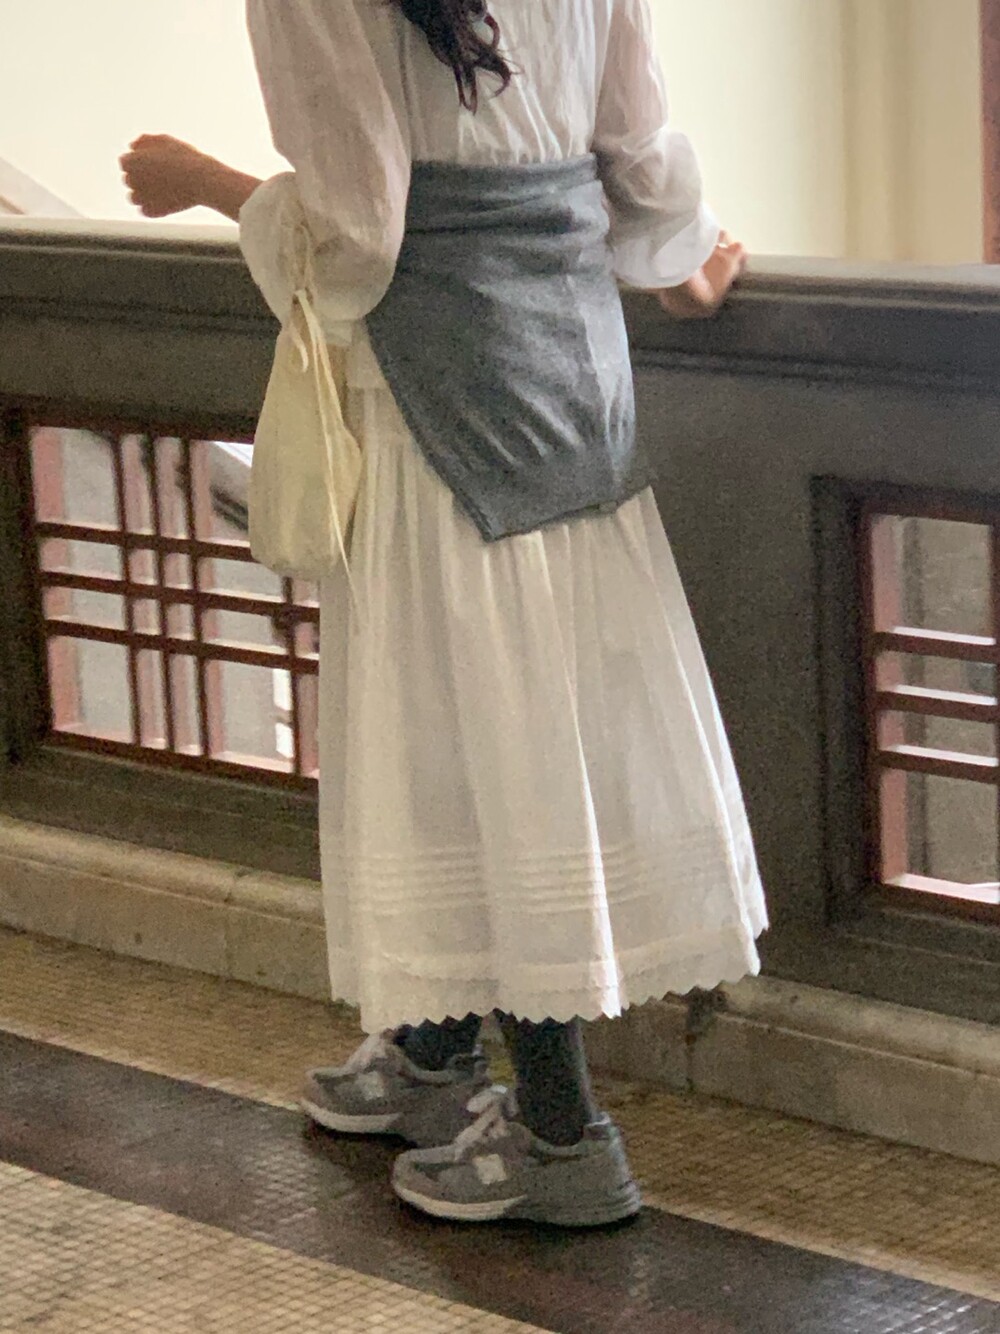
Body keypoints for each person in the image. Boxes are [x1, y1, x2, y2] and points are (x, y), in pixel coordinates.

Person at [121, 0, 766, 1229]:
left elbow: (357, 234)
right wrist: (686, 264)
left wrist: (203, 183)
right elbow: (635, 151)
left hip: (434, 403)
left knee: (465, 743)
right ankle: (432, 1047)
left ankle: (562, 1134)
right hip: (573, 382)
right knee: (532, 723)